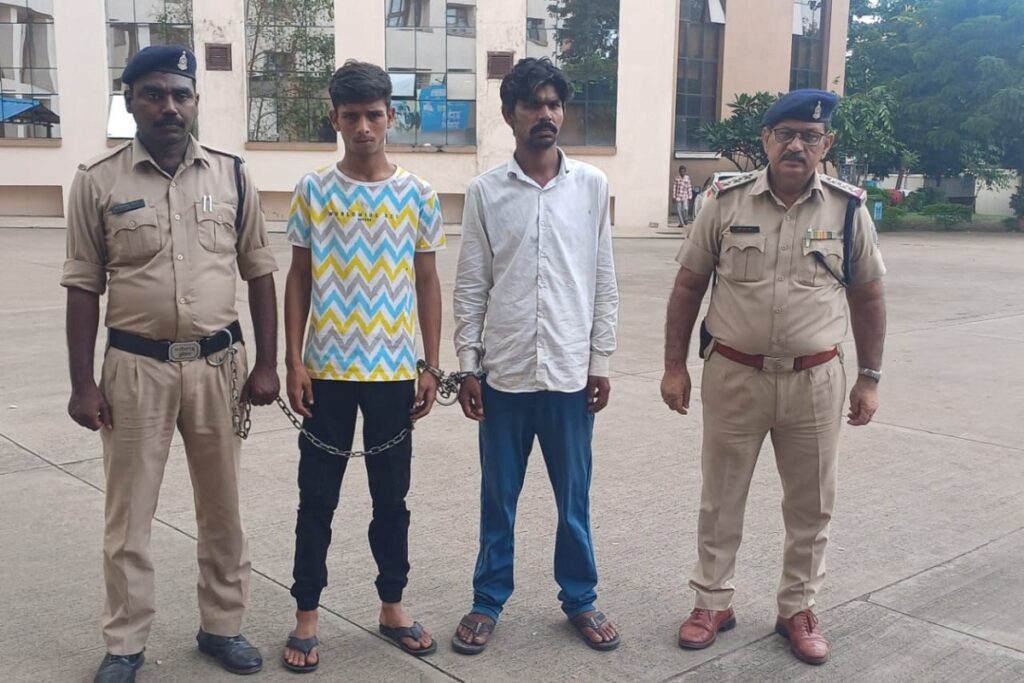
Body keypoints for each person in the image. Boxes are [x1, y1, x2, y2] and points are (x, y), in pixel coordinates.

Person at [62, 46, 280, 683]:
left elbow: (260, 272)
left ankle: (223, 628)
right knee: (128, 517)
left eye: (181, 95)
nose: (169, 107)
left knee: (223, 511)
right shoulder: (98, 181)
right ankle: (125, 643)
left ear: (194, 102)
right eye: (154, 94)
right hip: (135, 371)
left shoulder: (233, 176)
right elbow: (82, 285)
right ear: (129, 99)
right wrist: (82, 383)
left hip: (219, 367)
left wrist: (268, 364)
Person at [661, 89, 887, 665]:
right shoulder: (725, 201)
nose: (796, 144)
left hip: (816, 381)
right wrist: (673, 367)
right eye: (785, 133)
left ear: (826, 144)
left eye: (810, 136)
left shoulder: (848, 209)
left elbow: (869, 296)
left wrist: (870, 377)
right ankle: (712, 601)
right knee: (721, 496)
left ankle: (799, 608)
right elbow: (688, 285)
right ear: (765, 140)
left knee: (812, 503)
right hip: (734, 375)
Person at [451, 57, 621, 655]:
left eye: (554, 104)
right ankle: (488, 599)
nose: (545, 114)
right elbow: (471, 285)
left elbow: (602, 279)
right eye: (533, 104)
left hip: (571, 374)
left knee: (573, 497)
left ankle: (580, 597)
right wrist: (468, 366)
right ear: (510, 115)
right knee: (499, 497)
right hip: (505, 374)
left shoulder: (593, 187)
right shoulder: (485, 192)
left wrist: (600, 360)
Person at [280, 60, 444, 673]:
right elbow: (299, 278)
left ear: (390, 115)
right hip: (325, 373)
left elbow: (427, 282)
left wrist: (430, 363)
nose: (365, 126)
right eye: (352, 116)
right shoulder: (315, 190)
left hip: (393, 375)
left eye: (375, 114)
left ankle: (392, 606)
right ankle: (306, 616)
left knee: (391, 500)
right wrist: (293, 360)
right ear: (335, 119)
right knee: (315, 498)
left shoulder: (417, 194)